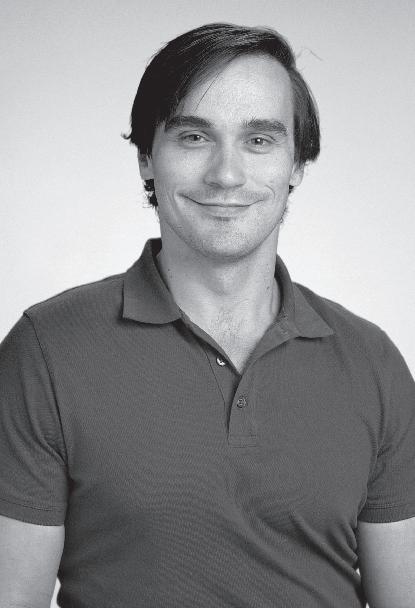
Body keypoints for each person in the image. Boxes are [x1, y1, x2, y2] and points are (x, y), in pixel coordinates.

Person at [0, 21, 414, 608]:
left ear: (297, 164)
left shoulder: (373, 364)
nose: (226, 174)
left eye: (259, 140)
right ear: (147, 158)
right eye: (194, 137)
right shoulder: (46, 351)